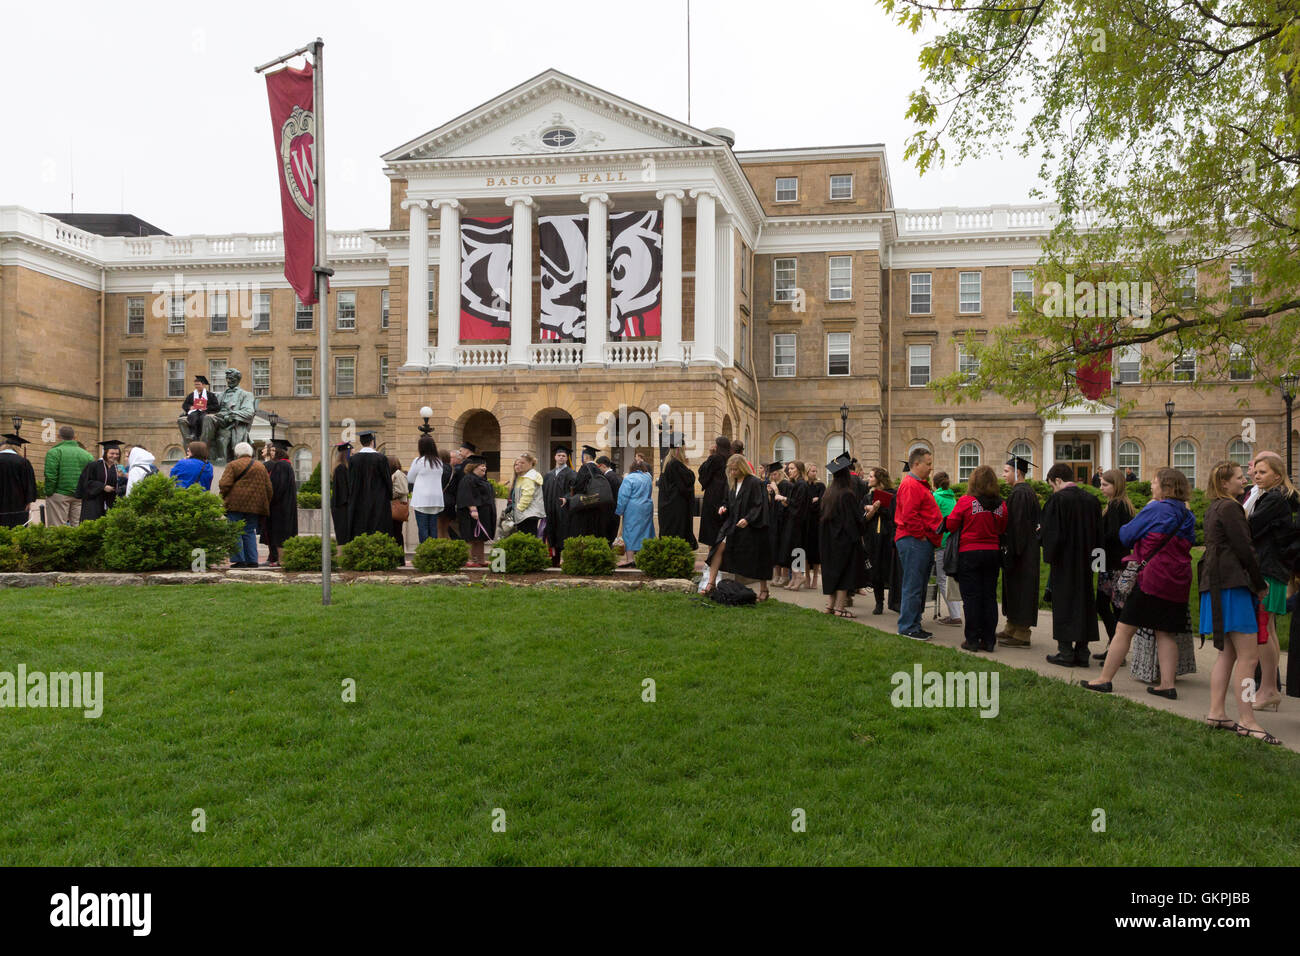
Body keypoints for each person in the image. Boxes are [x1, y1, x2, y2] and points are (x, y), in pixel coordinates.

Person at [1083, 468, 1197, 698]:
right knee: (1165, 632)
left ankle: (1105, 679)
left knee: (1124, 629)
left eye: (1154, 483)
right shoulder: (1187, 514)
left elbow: (1126, 534)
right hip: (1178, 580)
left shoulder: (1156, 508)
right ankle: (1167, 684)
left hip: (1151, 579)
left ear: (1165, 487)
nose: (1151, 486)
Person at [1200, 460, 1278, 744]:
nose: (1243, 479)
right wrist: (1258, 584)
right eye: (1237, 477)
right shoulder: (1231, 507)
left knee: (1228, 654)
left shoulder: (1214, 508)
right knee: (1249, 657)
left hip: (1216, 585)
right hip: (1232, 585)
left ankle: (1217, 712)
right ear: (1223, 483)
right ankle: (1247, 719)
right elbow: (1245, 550)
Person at [1246, 451, 1297, 711]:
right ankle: (1270, 689)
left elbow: (1249, 526)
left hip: (1268, 570)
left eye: (1262, 472)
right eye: (1256, 471)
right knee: (1269, 630)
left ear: (1277, 476)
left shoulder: (1275, 498)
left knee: (1263, 632)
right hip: (1272, 569)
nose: (1256, 475)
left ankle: (1268, 689)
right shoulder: (1273, 497)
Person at [1039, 463, 1102, 667]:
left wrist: (1048, 554)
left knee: (1064, 604)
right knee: (1085, 603)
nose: (1052, 489)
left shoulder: (1057, 500)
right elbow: (1099, 534)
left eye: (1051, 485)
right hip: (1087, 562)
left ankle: (1065, 652)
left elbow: (1051, 533)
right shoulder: (1092, 501)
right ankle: (1082, 652)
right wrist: (1098, 562)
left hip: (1065, 562)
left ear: (1058, 480)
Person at [945, 464, 1008, 651]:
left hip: (969, 553)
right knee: (988, 597)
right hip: (992, 553)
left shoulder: (966, 501)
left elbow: (951, 524)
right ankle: (989, 640)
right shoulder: (1002, 505)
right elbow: (1002, 528)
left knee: (971, 598)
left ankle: (971, 639)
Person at [702, 454, 772, 600]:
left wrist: (748, 519)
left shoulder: (754, 483)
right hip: (732, 523)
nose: (733, 472)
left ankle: (764, 589)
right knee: (718, 547)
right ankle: (711, 583)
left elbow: (759, 505)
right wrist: (723, 507)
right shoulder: (731, 483)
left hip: (751, 526)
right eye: (731, 470)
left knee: (757, 556)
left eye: (735, 470)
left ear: (742, 468)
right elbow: (727, 501)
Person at [895, 447, 942, 640]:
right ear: (916, 464)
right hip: (914, 540)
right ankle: (907, 626)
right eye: (928, 464)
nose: (931, 468)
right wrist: (921, 535)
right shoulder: (911, 485)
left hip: (919, 540)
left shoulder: (918, 485)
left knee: (918, 585)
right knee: (913, 585)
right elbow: (909, 515)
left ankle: (913, 623)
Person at [998, 454, 1041, 647]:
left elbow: (1018, 526)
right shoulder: (1021, 491)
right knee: (1014, 589)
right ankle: (1012, 626)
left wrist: (1010, 550)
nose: (1003, 475)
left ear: (1018, 472)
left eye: (1007, 471)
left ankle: (1022, 632)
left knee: (1021, 589)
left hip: (1021, 551)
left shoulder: (1021, 493)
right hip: (1021, 550)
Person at [818, 453, 868, 617]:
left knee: (833, 572)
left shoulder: (828, 493)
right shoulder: (847, 494)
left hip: (828, 541)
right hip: (844, 541)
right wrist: (868, 516)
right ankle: (840, 608)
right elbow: (853, 521)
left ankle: (830, 606)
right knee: (844, 573)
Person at [1094, 468, 1135, 661]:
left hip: (1114, 564)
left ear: (1115, 485)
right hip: (1114, 562)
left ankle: (1117, 649)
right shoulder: (1119, 504)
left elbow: (1113, 534)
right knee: (1112, 606)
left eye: (1105, 484)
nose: (1101, 488)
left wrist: (1095, 537)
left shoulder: (1117, 505)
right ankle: (1115, 648)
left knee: (1108, 605)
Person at [218, 441, 272, 568]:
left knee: (235, 531)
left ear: (237, 453)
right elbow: (269, 488)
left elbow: (224, 484)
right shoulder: (260, 466)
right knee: (249, 531)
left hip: (235, 504)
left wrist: (223, 496)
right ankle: (252, 560)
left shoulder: (233, 465)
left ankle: (239, 560)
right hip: (254, 506)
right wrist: (265, 502)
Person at [863, 467, 900, 615]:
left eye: (871, 476)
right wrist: (870, 509)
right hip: (872, 537)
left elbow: (895, 514)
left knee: (890, 569)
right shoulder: (867, 496)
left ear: (879, 479)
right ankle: (879, 602)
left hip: (887, 535)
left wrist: (879, 508)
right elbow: (864, 518)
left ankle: (896, 602)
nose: (869, 479)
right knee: (875, 570)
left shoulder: (893, 495)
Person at [346, 431, 393, 540]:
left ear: (361, 442)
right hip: (378, 500)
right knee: (378, 528)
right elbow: (387, 480)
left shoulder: (353, 460)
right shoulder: (381, 458)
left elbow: (350, 481)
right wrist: (390, 496)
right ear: (372, 442)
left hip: (359, 499)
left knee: (360, 528)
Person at [930, 471, 963, 627]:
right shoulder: (952, 498)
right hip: (954, 542)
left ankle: (955, 616)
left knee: (943, 579)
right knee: (950, 579)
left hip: (942, 543)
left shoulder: (936, 498)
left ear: (935, 484)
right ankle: (956, 613)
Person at [43, 425, 94, 526]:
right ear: (75, 437)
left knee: (57, 528)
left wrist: (49, 492)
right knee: (77, 527)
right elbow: (91, 477)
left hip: (59, 494)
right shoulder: (87, 455)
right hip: (79, 495)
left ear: (58, 436)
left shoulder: (54, 452)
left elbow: (50, 476)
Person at [775, 460, 811, 590]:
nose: (789, 471)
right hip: (793, 520)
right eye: (788, 469)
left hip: (797, 523)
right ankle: (795, 578)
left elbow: (798, 505)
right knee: (793, 549)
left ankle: (799, 576)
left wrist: (783, 498)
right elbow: (792, 504)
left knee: (796, 549)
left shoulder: (801, 485)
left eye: (792, 468)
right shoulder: (796, 484)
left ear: (799, 470)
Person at [262, 439, 299, 567]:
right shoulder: (287, 465)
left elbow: (277, 487)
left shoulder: (280, 465)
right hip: (285, 505)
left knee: (279, 533)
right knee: (283, 533)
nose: (271, 452)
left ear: (279, 452)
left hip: (279, 506)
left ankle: (280, 560)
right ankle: (279, 559)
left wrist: (268, 499)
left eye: (273, 450)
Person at [656, 435, 696, 548]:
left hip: (667, 507)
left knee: (670, 536)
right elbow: (688, 482)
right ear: (679, 450)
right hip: (676, 508)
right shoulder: (676, 464)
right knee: (677, 535)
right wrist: (687, 467)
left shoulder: (667, 464)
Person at [564, 445, 612, 540]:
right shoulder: (598, 469)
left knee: (584, 533)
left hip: (586, 507)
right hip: (597, 506)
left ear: (585, 456)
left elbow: (579, 487)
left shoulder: (585, 468)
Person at [456, 454, 496, 567]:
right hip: (472, 515)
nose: (484, 468)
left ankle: (480, 560)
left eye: (485, 466)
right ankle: (470, 560)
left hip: (483, 513)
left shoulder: (481, 479)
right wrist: (473, 509)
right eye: (482, 466)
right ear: (473, 467)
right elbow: (467, 494)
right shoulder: (468, 479)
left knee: (480, 538)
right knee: (471, 537)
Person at [406, 435, 446, 544]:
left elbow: (410, 478)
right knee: (433, 528)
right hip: (436, 499)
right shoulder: (439, 462)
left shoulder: (419, 461)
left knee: (423, 528)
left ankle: (424, 552)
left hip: (422, 499)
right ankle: (433, 552)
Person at [542, 446, 577, 566]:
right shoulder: (548, 475)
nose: (561, 457)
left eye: (563, 456)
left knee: (563, 533)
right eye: (559, 455)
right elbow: (544, 492)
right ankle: (554, 559)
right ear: (555, 457)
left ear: (567, 458)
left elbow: (574, 490)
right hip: (550, 510)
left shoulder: (571, 474)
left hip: (563, 510)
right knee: (551, 532)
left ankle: (564, 559)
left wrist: (567, 498)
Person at [616, 460, 655, 566]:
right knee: (646, 531)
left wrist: (619, 510)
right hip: (647, 507)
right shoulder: (648, 478)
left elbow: (623, 496)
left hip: (632, 508)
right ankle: (645, 558)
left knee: (630, 532)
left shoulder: (629, 478)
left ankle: (630, 559)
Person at [76, 438, 126, 521]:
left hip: (109, 503)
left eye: (117, 454)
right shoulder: (94, 465)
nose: (114, 456)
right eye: (112, 453)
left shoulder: (116, 468)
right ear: (105, 453)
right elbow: (85, 482)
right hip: (93, 502)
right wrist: (102, 486)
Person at [697, 436, 732, 548]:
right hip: (726, 495)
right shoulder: (730, 458)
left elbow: (702, 471)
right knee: (721, 529)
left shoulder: (715, 458)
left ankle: (711, 560)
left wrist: (710, 455)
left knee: (711, 531)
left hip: (713, 495)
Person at [504, 452, 545, 537]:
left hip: (527, 514)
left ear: (530, 464)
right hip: (526, 514)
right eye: (517, 463)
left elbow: (527, 496)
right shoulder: (523, 477)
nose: (519, 465)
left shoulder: (529, 477)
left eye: (522, 463)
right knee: (527, 537)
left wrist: (518, 509)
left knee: (528, 538)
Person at [0, 433, 37, 527]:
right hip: (17, 502)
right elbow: (29, 483)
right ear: (18, 448)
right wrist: (29, 500)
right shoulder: (23, 462)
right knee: (15, 528)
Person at [438, 443, 470, 541]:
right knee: (445, 530)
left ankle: (442, 552)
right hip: (451, 502)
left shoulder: (439, 469)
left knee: (439, 530)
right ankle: (450, 551)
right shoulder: (453, 470)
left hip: (441, 501)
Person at [804, 463, 824, 592]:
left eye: (816, 471)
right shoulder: (804, 486)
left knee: (816, 551)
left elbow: (822, 502)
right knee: (805, 549)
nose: (814, 473)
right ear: (806, 472)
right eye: (812, 471)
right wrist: (812, 501)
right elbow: (804, 503)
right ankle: (806, 576)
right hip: (805, 521)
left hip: (816, 521)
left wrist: (814, 501)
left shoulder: (820, 486)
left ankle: (816, 576)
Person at [182, 375, 219, 441]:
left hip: (205, 411)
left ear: (203, 385)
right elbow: (185, 405)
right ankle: (193, 434)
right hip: (194, 411)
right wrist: (190, 407)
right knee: (193, 416)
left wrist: (207, 408)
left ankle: (203, 435)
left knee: (203, 418)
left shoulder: (210, 395)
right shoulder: (191, 395)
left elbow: (216, 406)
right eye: (195, 384)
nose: (197, 386)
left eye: (198, 384)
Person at [596, 455, 623, 544]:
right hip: (615, 512)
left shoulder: (607, 478)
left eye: (598, 466)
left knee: (607, 538)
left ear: (603, 465)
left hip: (608, 512)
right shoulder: (617, 476)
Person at [388, 455, 409, 563]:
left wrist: (388, 495)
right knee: (395, 533)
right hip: (396, 506)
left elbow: (402, 490)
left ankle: (399, 559)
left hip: (396, 507)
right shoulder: (396, 474)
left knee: (396, 533)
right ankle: (397, 558)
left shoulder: (398, 474)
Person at [331, 442, 352, 546]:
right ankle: (341, 557)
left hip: (342, 505)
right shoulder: (341, 469)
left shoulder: (342, 468)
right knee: (342, 535)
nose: (352, 455)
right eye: (350, 453)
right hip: (341, 506)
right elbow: (343, 490)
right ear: (345, 454)